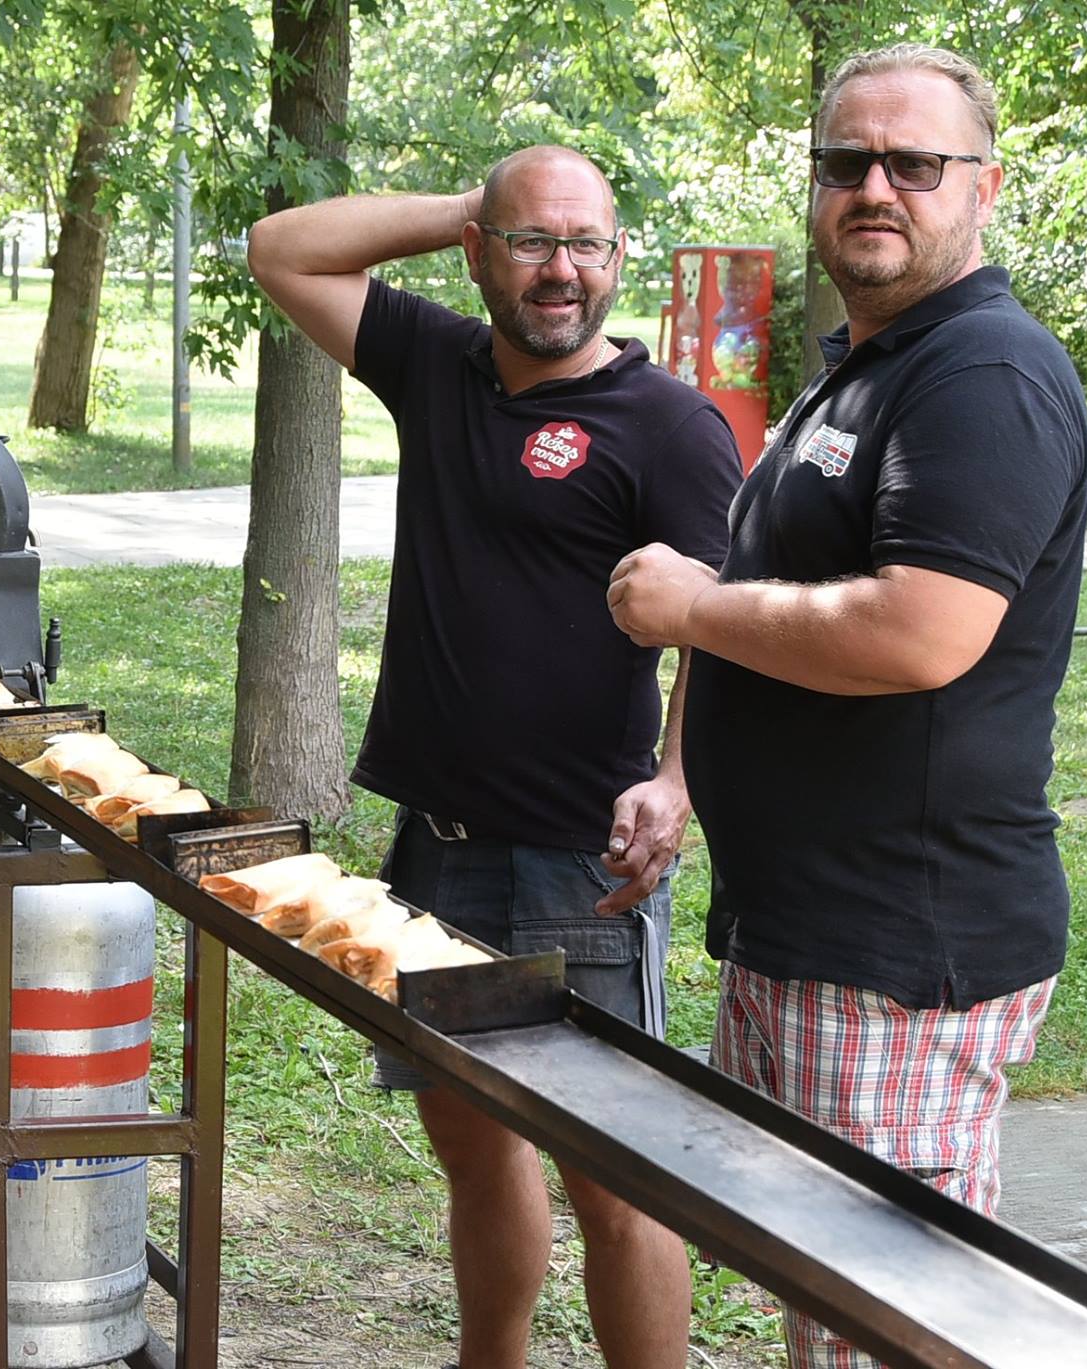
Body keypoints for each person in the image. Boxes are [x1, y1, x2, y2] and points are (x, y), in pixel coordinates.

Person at [606, 44, 1087, 1369]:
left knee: (891, 1329)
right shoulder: (865, 365)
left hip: (899, 953)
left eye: (914, 163)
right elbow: (774, 597)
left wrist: (691, 606)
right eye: (845, 161)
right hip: (806, 933)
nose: (874, 186)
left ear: (983, 185)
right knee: (824, 1307)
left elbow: (917, 632)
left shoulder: (982, 375)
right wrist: (682, 772)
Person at [247, 146, 742, 1369]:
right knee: (471, 1147)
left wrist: (676, 780)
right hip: (437, 848)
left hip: (580, 861)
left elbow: (718, 627)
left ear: (618, 256)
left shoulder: (668, 425)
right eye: (529, 241)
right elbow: (280, 249)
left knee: (613, 1181)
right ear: (475, 251)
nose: (560, 270)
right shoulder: (436, 363)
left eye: (584, 244)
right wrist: (474, 203)